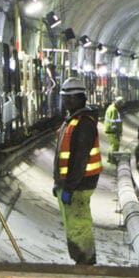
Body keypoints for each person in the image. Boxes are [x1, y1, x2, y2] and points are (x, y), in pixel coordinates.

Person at [52, 76, 103, 264]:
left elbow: (79, 160)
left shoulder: (83, 124)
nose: (64, 102)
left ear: (77, 98)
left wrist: (69, 187)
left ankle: (86, 262)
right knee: (74, 224)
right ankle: (82, 260)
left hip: (79, 185)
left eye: (67, 98)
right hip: (71, 184)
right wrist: (58, 182)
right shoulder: (73, 121)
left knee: (79, 225)